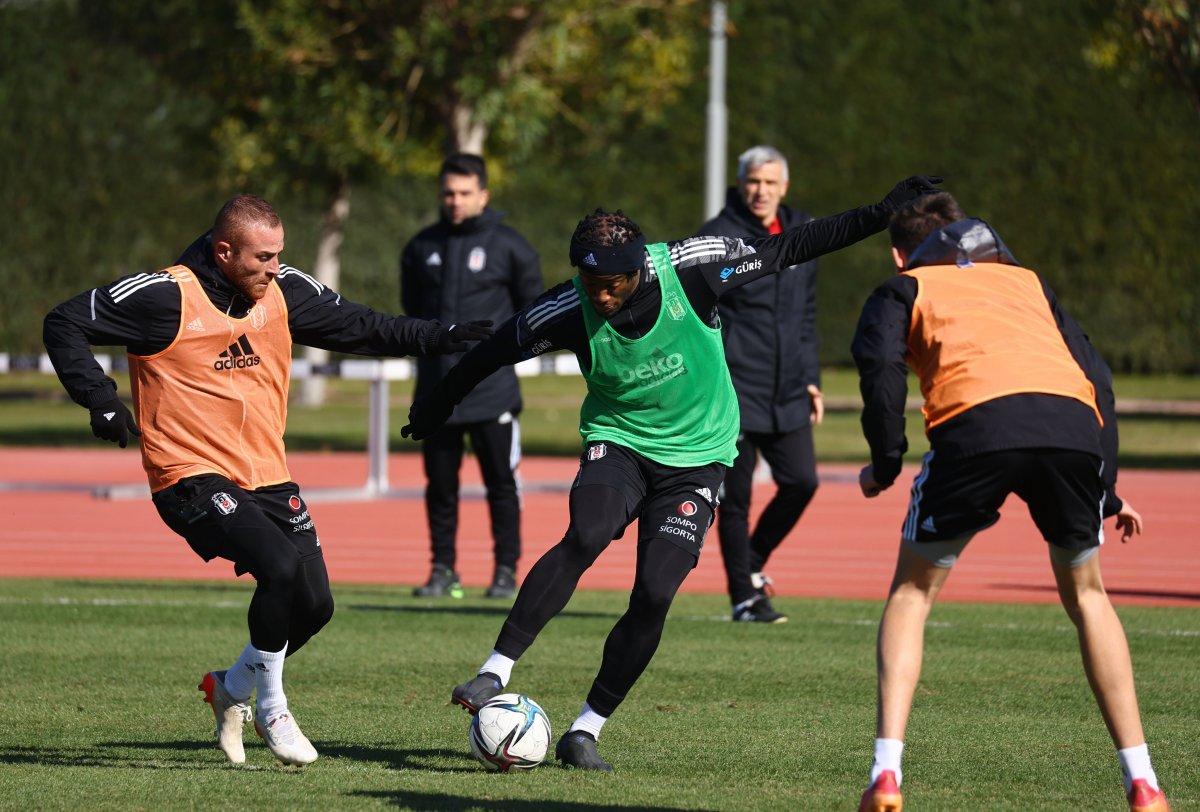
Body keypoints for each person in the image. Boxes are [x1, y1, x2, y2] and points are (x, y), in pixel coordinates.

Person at [403, 175, 943, 770]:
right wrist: (435, 405)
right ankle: (495, 670)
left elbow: (792, 246)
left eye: (611, 284)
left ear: (637, 269)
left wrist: (879, 212)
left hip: (699, 456)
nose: (600, 296)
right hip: (620, 441)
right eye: (590, 283)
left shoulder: (695, 270)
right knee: (586, 533)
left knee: (656, 592)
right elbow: (490, 353)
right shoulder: (568, 307)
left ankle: (586, 730)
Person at [42, 195, 490, 767]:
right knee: (278, 567)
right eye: (263, 257)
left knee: (316, 605)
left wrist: (438, 335)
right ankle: (273, 709)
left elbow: (361, 326)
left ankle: (231, 687)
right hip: (188, 474)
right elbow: (64, 321)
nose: (275, 268)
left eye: (279, 254)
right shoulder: (165, 296)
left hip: (267, 473)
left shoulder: (282, 289)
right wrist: (100, 398)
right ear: (224, 251)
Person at [850, 192, 1169, 812]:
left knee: (912, 593)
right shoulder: (1027, 282)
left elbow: (880, 369)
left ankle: (886, 775)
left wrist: (885, 464)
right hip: (1071, 429)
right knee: (1089, 596)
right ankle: (1144, 782)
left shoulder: (904, 287)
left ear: (899, 255)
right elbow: (1098, 379)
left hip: (975, 427)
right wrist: (1106, 489)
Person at [401, 153, 543, 600]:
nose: (455, 200)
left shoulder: (511, 247)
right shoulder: (420, 247)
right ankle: (443, 570)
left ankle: (505, 571)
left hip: (492, 392)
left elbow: (532, 310)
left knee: (501, 485)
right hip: (437, 392)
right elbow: (412, 309)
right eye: (448, 192)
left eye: (465, 193)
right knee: (441, 488)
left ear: (484, 194)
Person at [697, 145, 823, 624]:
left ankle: (749, 563)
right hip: (734, 389)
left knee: (802, 482)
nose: (761, 191)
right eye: (753, 181)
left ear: (784, 187)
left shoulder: (802, 233)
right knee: (736, 500)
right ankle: (744, 598)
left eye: (770, 182)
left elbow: (806, 314)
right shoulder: (715, 238)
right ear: (740, 183)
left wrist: (810, 379)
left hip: (788, 389)